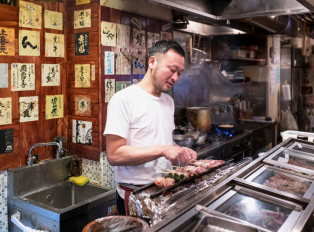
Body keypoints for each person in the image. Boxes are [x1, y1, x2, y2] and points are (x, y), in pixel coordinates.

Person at [104, 40, 197, 215]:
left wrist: (179, 151)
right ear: (152, 62)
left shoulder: (168, 101)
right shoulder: (123, 99)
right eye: (172, 70)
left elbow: (162, 142)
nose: (175, 78)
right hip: (135, 196)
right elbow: (114, 155)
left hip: (165, 191)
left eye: (179, 73)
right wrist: (163, 150)